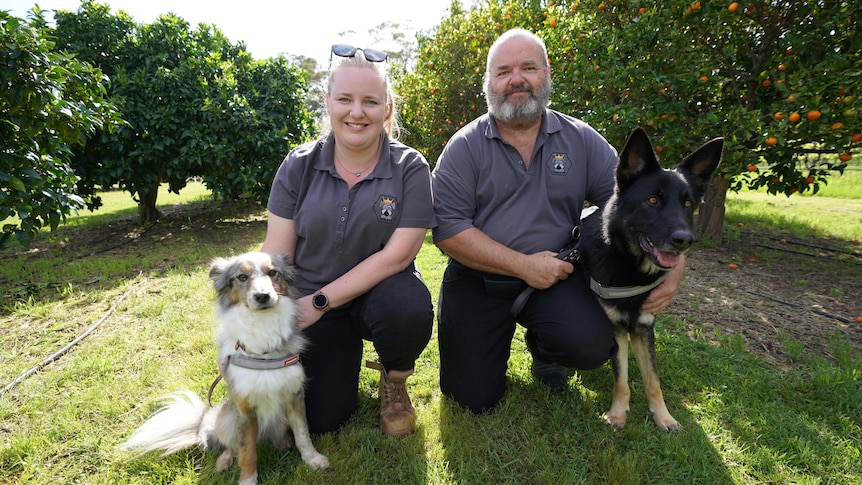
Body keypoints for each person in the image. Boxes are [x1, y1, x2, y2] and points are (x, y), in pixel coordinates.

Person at [430, 29, 685, 413]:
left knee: (589, 344)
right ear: (488, 83)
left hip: (556, 279)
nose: (516, 79)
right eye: (503, 71)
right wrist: (523, 265)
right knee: (471, 399)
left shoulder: (581, 138)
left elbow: (634, 205)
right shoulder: (464, 147)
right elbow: (447, 231)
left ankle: (545, 348)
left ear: (547, 73)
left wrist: (675, 263)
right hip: (477, 281)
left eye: (528, 67)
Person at [260, 44, 435, 436]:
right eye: (345, 99)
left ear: (386, 108)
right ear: (328, 103)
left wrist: (320, 302)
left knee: (405, 306)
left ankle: (394, 379)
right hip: (308, 301)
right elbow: (276, 256)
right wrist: (257, 323)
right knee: (324, 421)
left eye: (370, 101)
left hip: (374, 296)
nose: (357, 112)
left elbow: (397, 255)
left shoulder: (410, 167)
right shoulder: (298, 165)